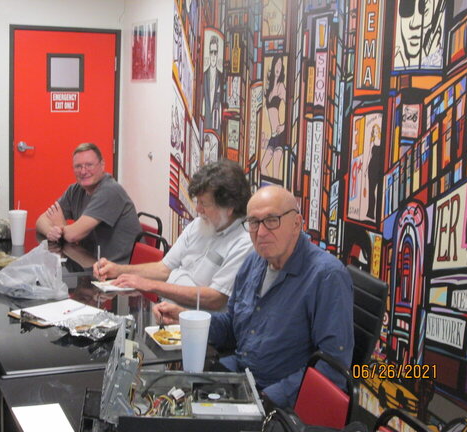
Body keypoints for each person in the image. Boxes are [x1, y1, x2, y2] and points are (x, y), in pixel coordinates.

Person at [154, 185, 354, 408]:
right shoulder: (254, 261)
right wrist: (188, 319)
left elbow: (331, 368)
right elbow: (233, 326)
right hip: (240, 377)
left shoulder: (326, 276)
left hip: (279, 399)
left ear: (296, 223)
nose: (261, 233)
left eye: (271, 220)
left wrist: (267, 400)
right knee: (165, 401)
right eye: (254, 223)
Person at [94, 159, 253, 311]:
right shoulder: (199, 225)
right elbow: (164, 268)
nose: (198, 209)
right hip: (167, 310)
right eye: (197, 202)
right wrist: (117, 270)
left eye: (204, 204)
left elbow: (215, 298)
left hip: (197, 322)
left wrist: (150, 285)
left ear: (229, 207)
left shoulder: (244, 243)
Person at [36, 142, 141, 264]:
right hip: (89, 262)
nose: (83, 171)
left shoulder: (109, 191)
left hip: (118, 269)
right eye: (78, 166)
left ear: (102, 165)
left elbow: (73, 235)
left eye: (89, 165)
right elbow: (40, 221)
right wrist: (51, 232)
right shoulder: (75, 190)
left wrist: (60, 226)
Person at [261, 54, 285, 179]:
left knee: (276, 173)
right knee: (262, 166)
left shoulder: (281, 87)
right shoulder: (269, 89)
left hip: (280, 136)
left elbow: (290, 107)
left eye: (280, 65)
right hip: (272, 136)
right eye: (276, 64)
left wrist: (284, 126)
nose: (278, 68)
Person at [203, 35, 223, 131]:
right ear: (209, 53)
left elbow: (220, 104)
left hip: (216, 126)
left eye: (215, 52)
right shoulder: (204, 76)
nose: (213, 56)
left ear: (218, 53)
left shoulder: (221, 77)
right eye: (211, 52)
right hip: (205, 125)